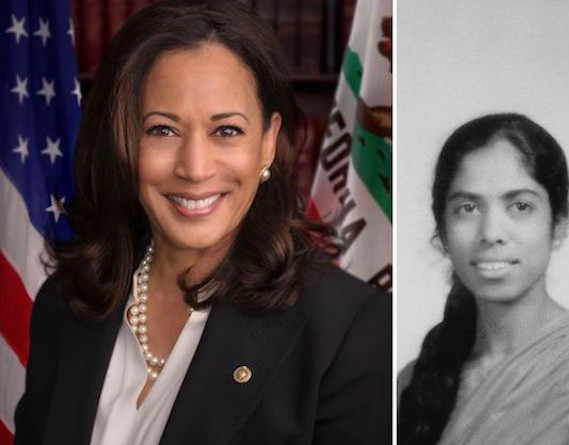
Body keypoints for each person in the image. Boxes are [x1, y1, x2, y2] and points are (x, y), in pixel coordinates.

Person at [12, 1, 390, 444]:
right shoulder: (66, 302)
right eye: (162, 130)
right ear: (121, 140)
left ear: (268, 143)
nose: (194, 168)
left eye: (226, 131)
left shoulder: (349, 331)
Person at [398, 113, 569, 445]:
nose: (490, 233)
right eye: (468, 208)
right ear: (443, 231)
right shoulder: (415, 383)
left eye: (519, 206)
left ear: (558, 224)